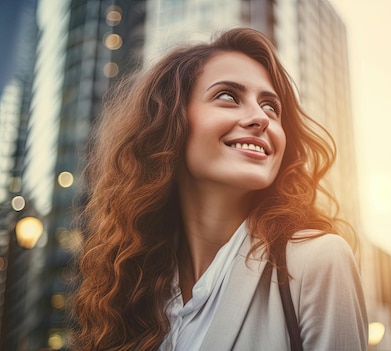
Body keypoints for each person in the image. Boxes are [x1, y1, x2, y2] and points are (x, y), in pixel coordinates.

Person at [70, 27, 368, 350]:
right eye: (228, 96)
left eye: (271, 107)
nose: (260, 118)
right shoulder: (134, 288)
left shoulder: (318, 262)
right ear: (172, 123)